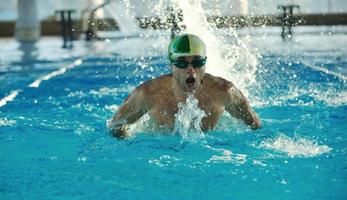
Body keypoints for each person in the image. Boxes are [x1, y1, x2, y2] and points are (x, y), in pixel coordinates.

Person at [109, 34, 261, 139]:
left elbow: (255, 126)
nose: (191, 69)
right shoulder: (147, 94)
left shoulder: (225, 92)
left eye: (197, 62)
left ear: (205, 63)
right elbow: (115, 127)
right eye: (182, 62)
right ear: (171, 65)